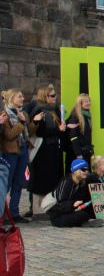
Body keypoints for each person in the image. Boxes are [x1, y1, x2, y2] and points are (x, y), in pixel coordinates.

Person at [29, 84, 66, 209]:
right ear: (45, 96)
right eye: (52, 95)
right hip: (44, 150)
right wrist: (58, 130)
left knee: (54, 179)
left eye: (55, 95)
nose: (55, 98)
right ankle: (40, 208)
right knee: (43, 180)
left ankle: (51, 205)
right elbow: (40, 132)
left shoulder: (53, 110)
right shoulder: (39, 110)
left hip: (54, 148)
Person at [2, 89, 36, 223]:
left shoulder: (24, 114)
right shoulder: (5, 115)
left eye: (22, 96)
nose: (22, 99)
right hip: (10, 152)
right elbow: (9, 135)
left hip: (23, 150)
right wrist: (21, 123)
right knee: (7, 183)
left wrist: (36, 122)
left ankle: (14, 213)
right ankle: (4, 213)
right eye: (19, 97)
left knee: (18, 183)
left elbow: (29, 132)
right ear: (12, 98)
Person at [45, 158, 103, 228]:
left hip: (73, 210)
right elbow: (60, 204)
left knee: (91, 209)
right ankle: (85, 222)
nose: (86, 172)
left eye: (87, 169)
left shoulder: (82, 181)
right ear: (76, 170)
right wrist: (73, 204)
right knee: (82, 215)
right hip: (59, 215)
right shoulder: (67, 181)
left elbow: (96, 182)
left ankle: (85, 221)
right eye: (83, 169)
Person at [65, 93, 93, 171]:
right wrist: (78, 154)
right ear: (80, 104)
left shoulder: (87, 115)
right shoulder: (75, 116)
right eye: (86, 102)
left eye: (89, 101)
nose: (89, 103)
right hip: (77, 153)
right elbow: (73, 137)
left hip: (85, 151)